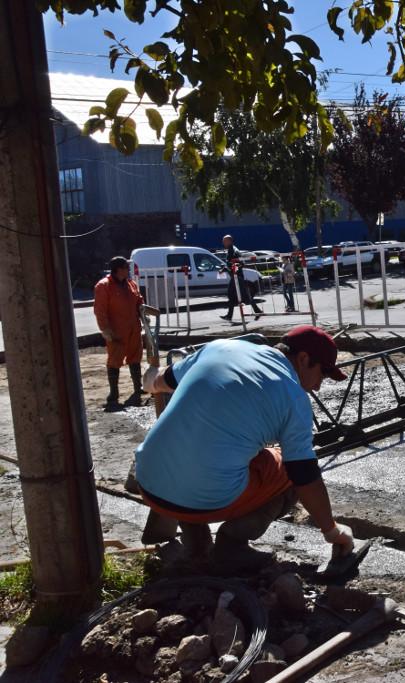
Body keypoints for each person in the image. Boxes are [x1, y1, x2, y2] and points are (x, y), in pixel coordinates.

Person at [135, 325, 353, 573]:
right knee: (287, 469)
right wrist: (332, 531)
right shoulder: (294, 399)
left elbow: (162, 381)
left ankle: (196, 541)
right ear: (303, 359)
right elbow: (305, 477)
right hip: (202, 502)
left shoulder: (221, 348)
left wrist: (150, 380)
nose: (318, 387)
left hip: (149, 483)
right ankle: (231, 545)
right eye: (322, 375)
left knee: (212, 447)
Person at [94, 256, 145, 409]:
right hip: (116, 331)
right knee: (115, 360)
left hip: (133, 328)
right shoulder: (103, 286)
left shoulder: (131, 284)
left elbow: (139, 301)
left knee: (135, 358)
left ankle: (138, 388)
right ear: (118, 269)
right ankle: (114, 393)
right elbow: (100, 310)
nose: (128, 270)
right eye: (125, 267)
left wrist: (144, 314)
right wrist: (105, 330)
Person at [220, 234, 263, 321]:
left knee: (240, 295)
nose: (223, 243)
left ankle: (257, 311)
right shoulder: (230, 250)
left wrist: (234, 270)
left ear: (230, 241)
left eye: (224, 241)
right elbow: (231, 264)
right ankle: (230, 315)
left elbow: (240, 263)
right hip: (235, 276)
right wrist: (226, 268)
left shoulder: (234, 250)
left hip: (237, 276)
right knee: (234, 295)